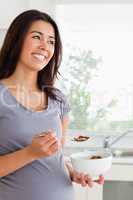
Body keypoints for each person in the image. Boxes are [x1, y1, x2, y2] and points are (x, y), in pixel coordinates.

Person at [0, 9, 104, 200]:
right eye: (37, 37)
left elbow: (56, 157)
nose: (44, 46)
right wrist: (30, 153)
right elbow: (35, 154)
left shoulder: (58, 99)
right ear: (17, 39)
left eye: (51, 41)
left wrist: (74, 172)